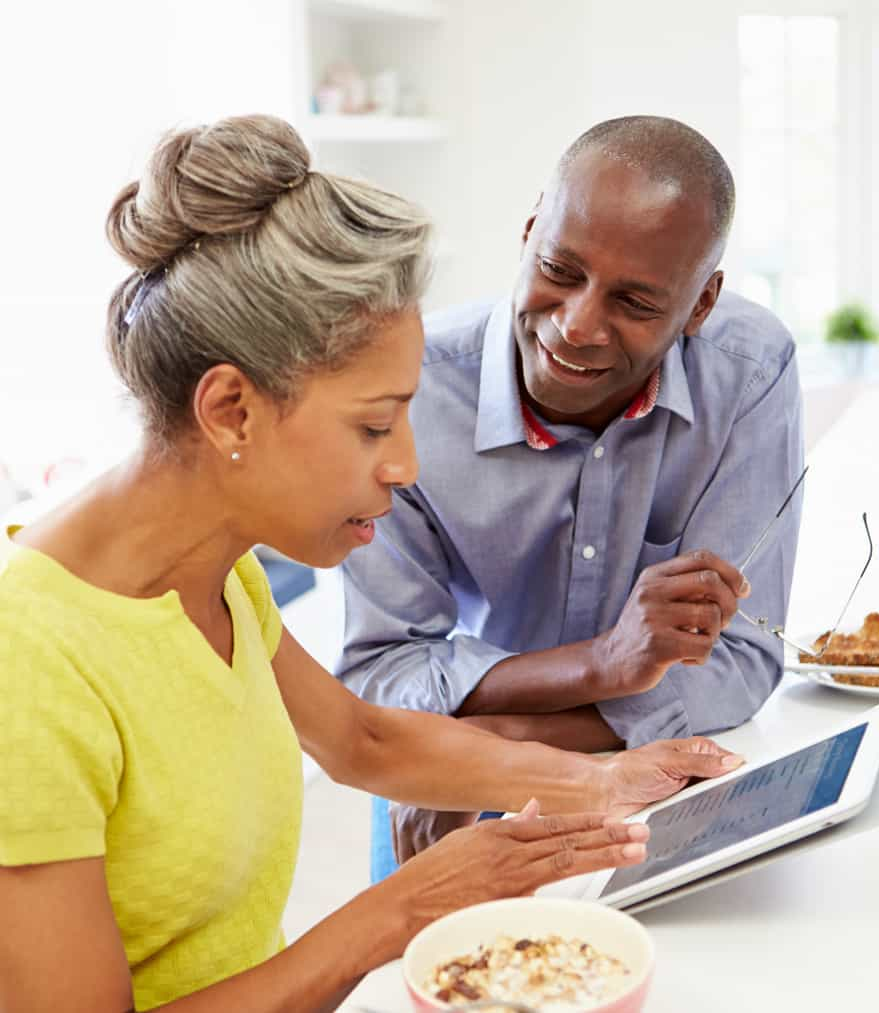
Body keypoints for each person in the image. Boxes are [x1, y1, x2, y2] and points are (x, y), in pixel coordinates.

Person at [0, 115, 743, 1013]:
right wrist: (396, 912)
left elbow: (361, 738)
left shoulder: (207, 570)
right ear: (231, 409)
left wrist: (603, 782)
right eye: (372, 423)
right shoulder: (30, 667)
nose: (405, 465)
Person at [336, 115, 804, 876]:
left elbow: (741, 661)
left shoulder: (747, 372)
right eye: (559, 268)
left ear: (700, 304)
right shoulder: (411, 391)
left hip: (593, 768)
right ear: (527, 234)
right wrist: (602, 665)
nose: (577, 325)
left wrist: (501, 742)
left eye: (636, 303)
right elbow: (380, 678)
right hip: (439, 776)